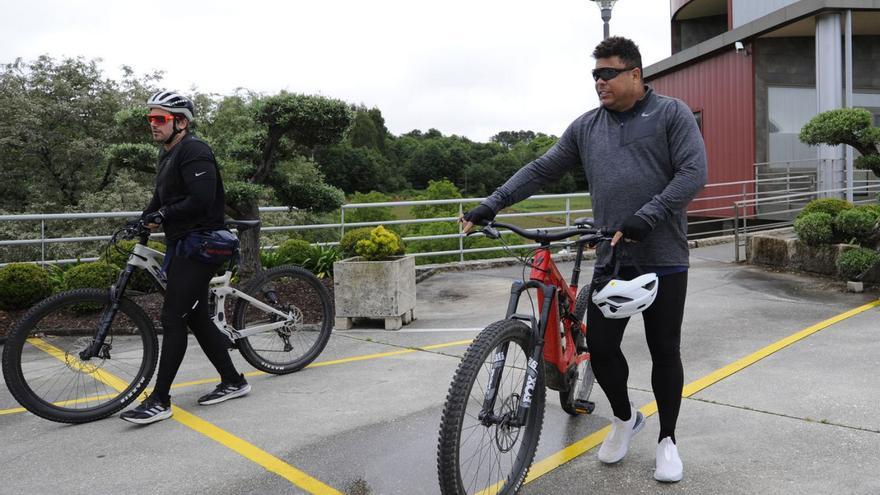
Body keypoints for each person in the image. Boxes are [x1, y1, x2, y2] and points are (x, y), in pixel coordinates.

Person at [461, 37, 707, 482]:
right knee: (603, 349)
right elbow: (541, 169)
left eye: (608, 72)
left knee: (664, 349)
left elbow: (694, 173)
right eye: (595, 74)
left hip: (664, 256)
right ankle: (625, 417)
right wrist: (492, 204)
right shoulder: (586, 127)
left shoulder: (671, 114)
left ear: (635, 73)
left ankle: (667, 440)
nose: (599, 81)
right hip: (613, 259)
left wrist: (646, 216)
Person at [120, 91, 251, 425]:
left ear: (180, 122)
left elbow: (202, 199)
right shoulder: (167, 154)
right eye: (150, 118)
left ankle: (160, 400)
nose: (153, 124)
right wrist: (141, 219)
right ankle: (234, 380)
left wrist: (163, 215)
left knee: (173, 316)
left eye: (159, 118)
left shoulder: (194, 150)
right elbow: (159, 198)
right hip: (183, 243)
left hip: (202, 244)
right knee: (194, 316)